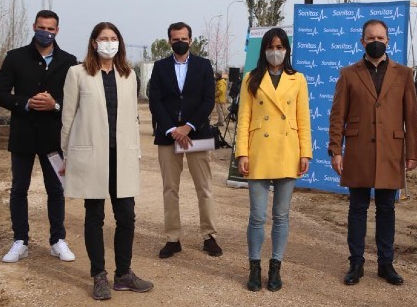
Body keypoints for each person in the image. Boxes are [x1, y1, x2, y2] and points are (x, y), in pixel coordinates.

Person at [60, 22, 153, 300]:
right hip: (91, 157)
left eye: (113, 38)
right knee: (95, 216)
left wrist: (136, 150)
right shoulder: (77, 73)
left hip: (121, 156)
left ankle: (123, 274)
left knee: (126, 216)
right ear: (93, 43)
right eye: (104, 38)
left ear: (119, 43)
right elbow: (68, 116)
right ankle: (98, 275)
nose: (109, 43)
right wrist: (66, 154)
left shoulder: (128, 75)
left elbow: (133, 119)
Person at [328, 19, 417, 286]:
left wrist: (412, 152)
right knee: (357, 208)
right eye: (371, 38)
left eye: (381, 37)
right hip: (358, 151)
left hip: (391, 150)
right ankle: (356, 263)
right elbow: (337, 116)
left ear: (388, 41)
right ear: (362, 42)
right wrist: (336, 149)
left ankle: (385, 264)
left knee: (386, 208)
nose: (376, 42)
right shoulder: (348, 74)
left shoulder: (404, 74)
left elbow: (412, 117)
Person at [0, 10, 77, 263]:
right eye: (42, 27)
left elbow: (74, 98)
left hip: (53, 137)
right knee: (19, 188)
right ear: (34, 26)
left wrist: (56, 105)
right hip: (23, 135)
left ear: (57, 31)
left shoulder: (69, 61)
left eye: (51, 29)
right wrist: (25, 103)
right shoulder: (15, 57)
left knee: (56, 189)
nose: (46, 32)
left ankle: (57, 240)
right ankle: (20, 240)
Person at [235, 27, 312, 292]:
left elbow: (303, 118)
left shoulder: (298, 79)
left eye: (280, 47)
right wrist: (241, 153)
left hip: (288, 151)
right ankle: (254, 267)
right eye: (271, 46)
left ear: (287, 50)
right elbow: (243, 119)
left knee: (281, 215)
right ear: (264, 49)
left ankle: (275, 268)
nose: (275, 52)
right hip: (258, 151)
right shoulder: (250, 79)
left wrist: (305, 153)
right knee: (257, 216)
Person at [149, 22, 223, 259]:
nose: (179, 41)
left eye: (183, 38)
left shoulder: (203, 65)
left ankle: (209, 236)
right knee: (170, 189)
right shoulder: (160, 67)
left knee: (205, 188)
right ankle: (173, 238)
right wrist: (172, 129)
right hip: (168, 136)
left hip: (197, 135)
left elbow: (208, 100)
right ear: (169, 41)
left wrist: (188, 127)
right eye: (174, 38)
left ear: (190, 40)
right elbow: (155, 101)